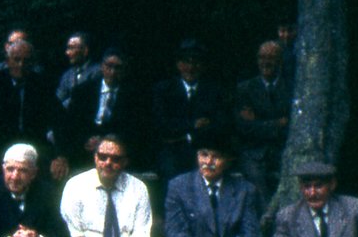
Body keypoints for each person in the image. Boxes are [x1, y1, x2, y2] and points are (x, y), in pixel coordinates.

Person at [0, 38, 59, 179]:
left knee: (53, 171)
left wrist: (60, 156)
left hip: (34, 146)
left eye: (26, 61)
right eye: (16, 60)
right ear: (7, 61)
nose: (21, 65)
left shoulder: (42, 84)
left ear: (32, 63)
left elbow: (58, 120)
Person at [153, 39, 229, 181]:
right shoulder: (164, 89)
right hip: (172, 149)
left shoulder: (213, 91)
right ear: (178, 64)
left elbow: (220, 124)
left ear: (203, 66)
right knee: (171, 175)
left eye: (196, 62)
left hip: (204, 148)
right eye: (186, 62)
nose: (191, 67)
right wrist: (192, 125)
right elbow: (161, 124)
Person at [61, 48, 146, 162]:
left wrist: (105, 141)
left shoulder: (134, 96)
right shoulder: (83, 90)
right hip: (84, 145)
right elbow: (72, 122)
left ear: (124, 69)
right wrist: (86, 140)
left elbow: (133, 127)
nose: (112, 72)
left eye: (118, 68)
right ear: (102, 66)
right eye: (109, 66)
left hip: (115, 148)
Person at [234, 38, 293, 198]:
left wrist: (259, 122)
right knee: (256, 183)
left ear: (280, 61)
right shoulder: (245, 89)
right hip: (254, 151)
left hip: (283, 150)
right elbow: (244, 128)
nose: (265, 62)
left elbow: (291, 126)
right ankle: (266, 221)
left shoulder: (291, 88)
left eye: (271, 58)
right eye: (262, 57)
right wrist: (276, 123)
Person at [57, 32, 100, 107]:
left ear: (85, 51)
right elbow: (58, 99)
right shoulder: (67, 75)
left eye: (71, 48)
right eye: (67, 48)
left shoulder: (97, 72)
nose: (67, 52)